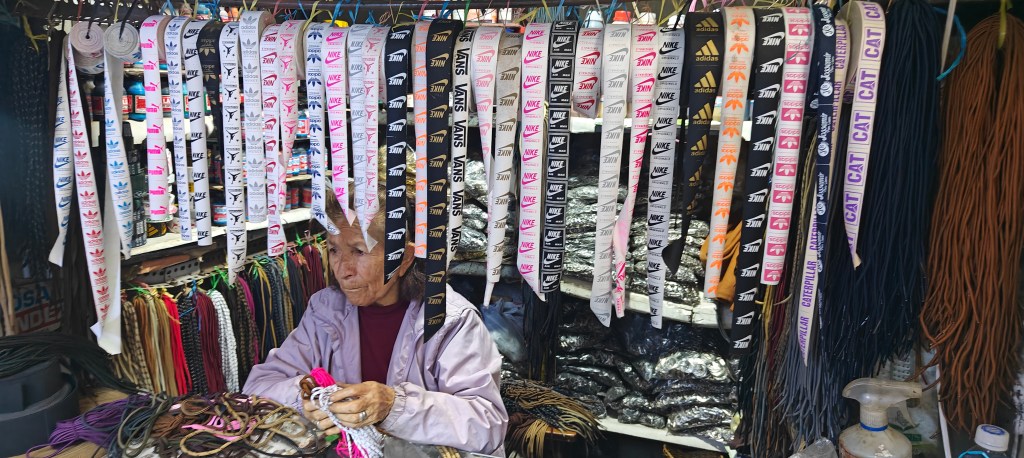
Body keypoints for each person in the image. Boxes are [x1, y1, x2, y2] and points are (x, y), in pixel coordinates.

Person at [243, 182, 508, 456]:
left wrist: (394, 406)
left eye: (359, 251)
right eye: (334, 250)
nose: (342, 270)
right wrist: (303, 400)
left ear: (404, 258)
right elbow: (258, 388)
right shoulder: (326, 308)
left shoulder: (449, 320)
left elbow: (487, 425)